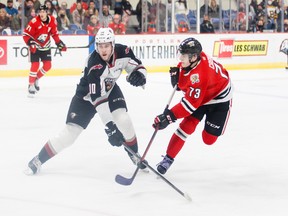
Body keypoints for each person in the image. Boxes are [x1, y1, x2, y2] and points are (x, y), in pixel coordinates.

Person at [24, 27, 147, 175]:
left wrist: (140, 75)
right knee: (69, 135)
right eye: (100, 46)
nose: (103, 50)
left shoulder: (124, 52)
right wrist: (110, 127)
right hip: (87, 96)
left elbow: (138, 66)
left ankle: (134, 154)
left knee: (123, 119)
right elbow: (98, 99)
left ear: (113, 45)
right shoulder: (94, 64)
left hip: (109, 88)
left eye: (106, 45)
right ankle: (38, 159)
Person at [153, 37, 233, 174]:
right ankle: (168, 158)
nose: (180, 59)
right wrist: (178, 78)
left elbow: (189, 105)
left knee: (208, 139)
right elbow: (186, 83)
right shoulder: (194, 60)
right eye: (181, 54)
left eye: (183, 56)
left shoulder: (201, 75)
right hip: (201, 96)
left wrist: (168, 117)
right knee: (185, 127)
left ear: (194, 57)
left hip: (219, 99)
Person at [22, 4, 66, 97]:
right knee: (35, 65)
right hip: (35, 47)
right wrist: (31, 43)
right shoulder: (34, 22)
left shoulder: (53, 20)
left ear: (47, 12)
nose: (41, 14)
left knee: (48, 66)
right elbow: (25, 35)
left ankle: (36, 79)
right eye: (40, 12)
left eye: (43, 12)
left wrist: (60, 44)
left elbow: (54, 34)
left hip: (46, 46)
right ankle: (30, 85)